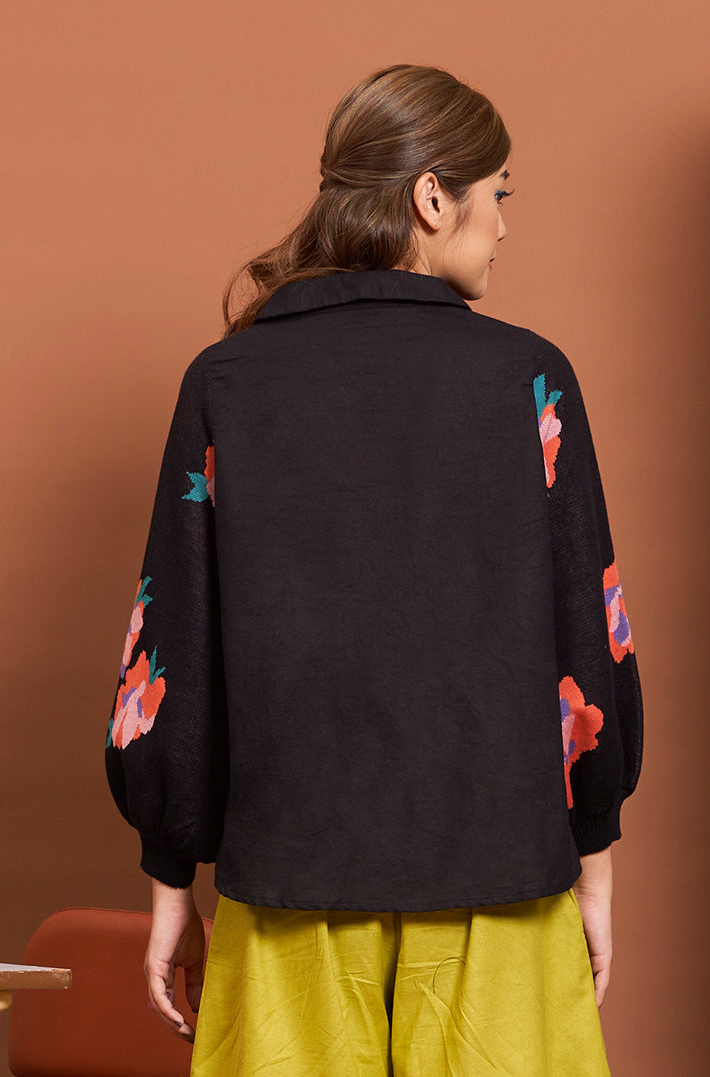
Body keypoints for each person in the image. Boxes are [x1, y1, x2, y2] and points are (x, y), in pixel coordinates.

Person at [106, 64, 643, 1076]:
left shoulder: (227, 382)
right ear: (434, 196)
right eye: (498, 195)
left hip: (290, 887)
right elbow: (589, 632)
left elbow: (171, 643)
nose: (503, 224)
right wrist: (596, 855)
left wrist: (171, 872)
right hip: (500, 878)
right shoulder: (528, 378)